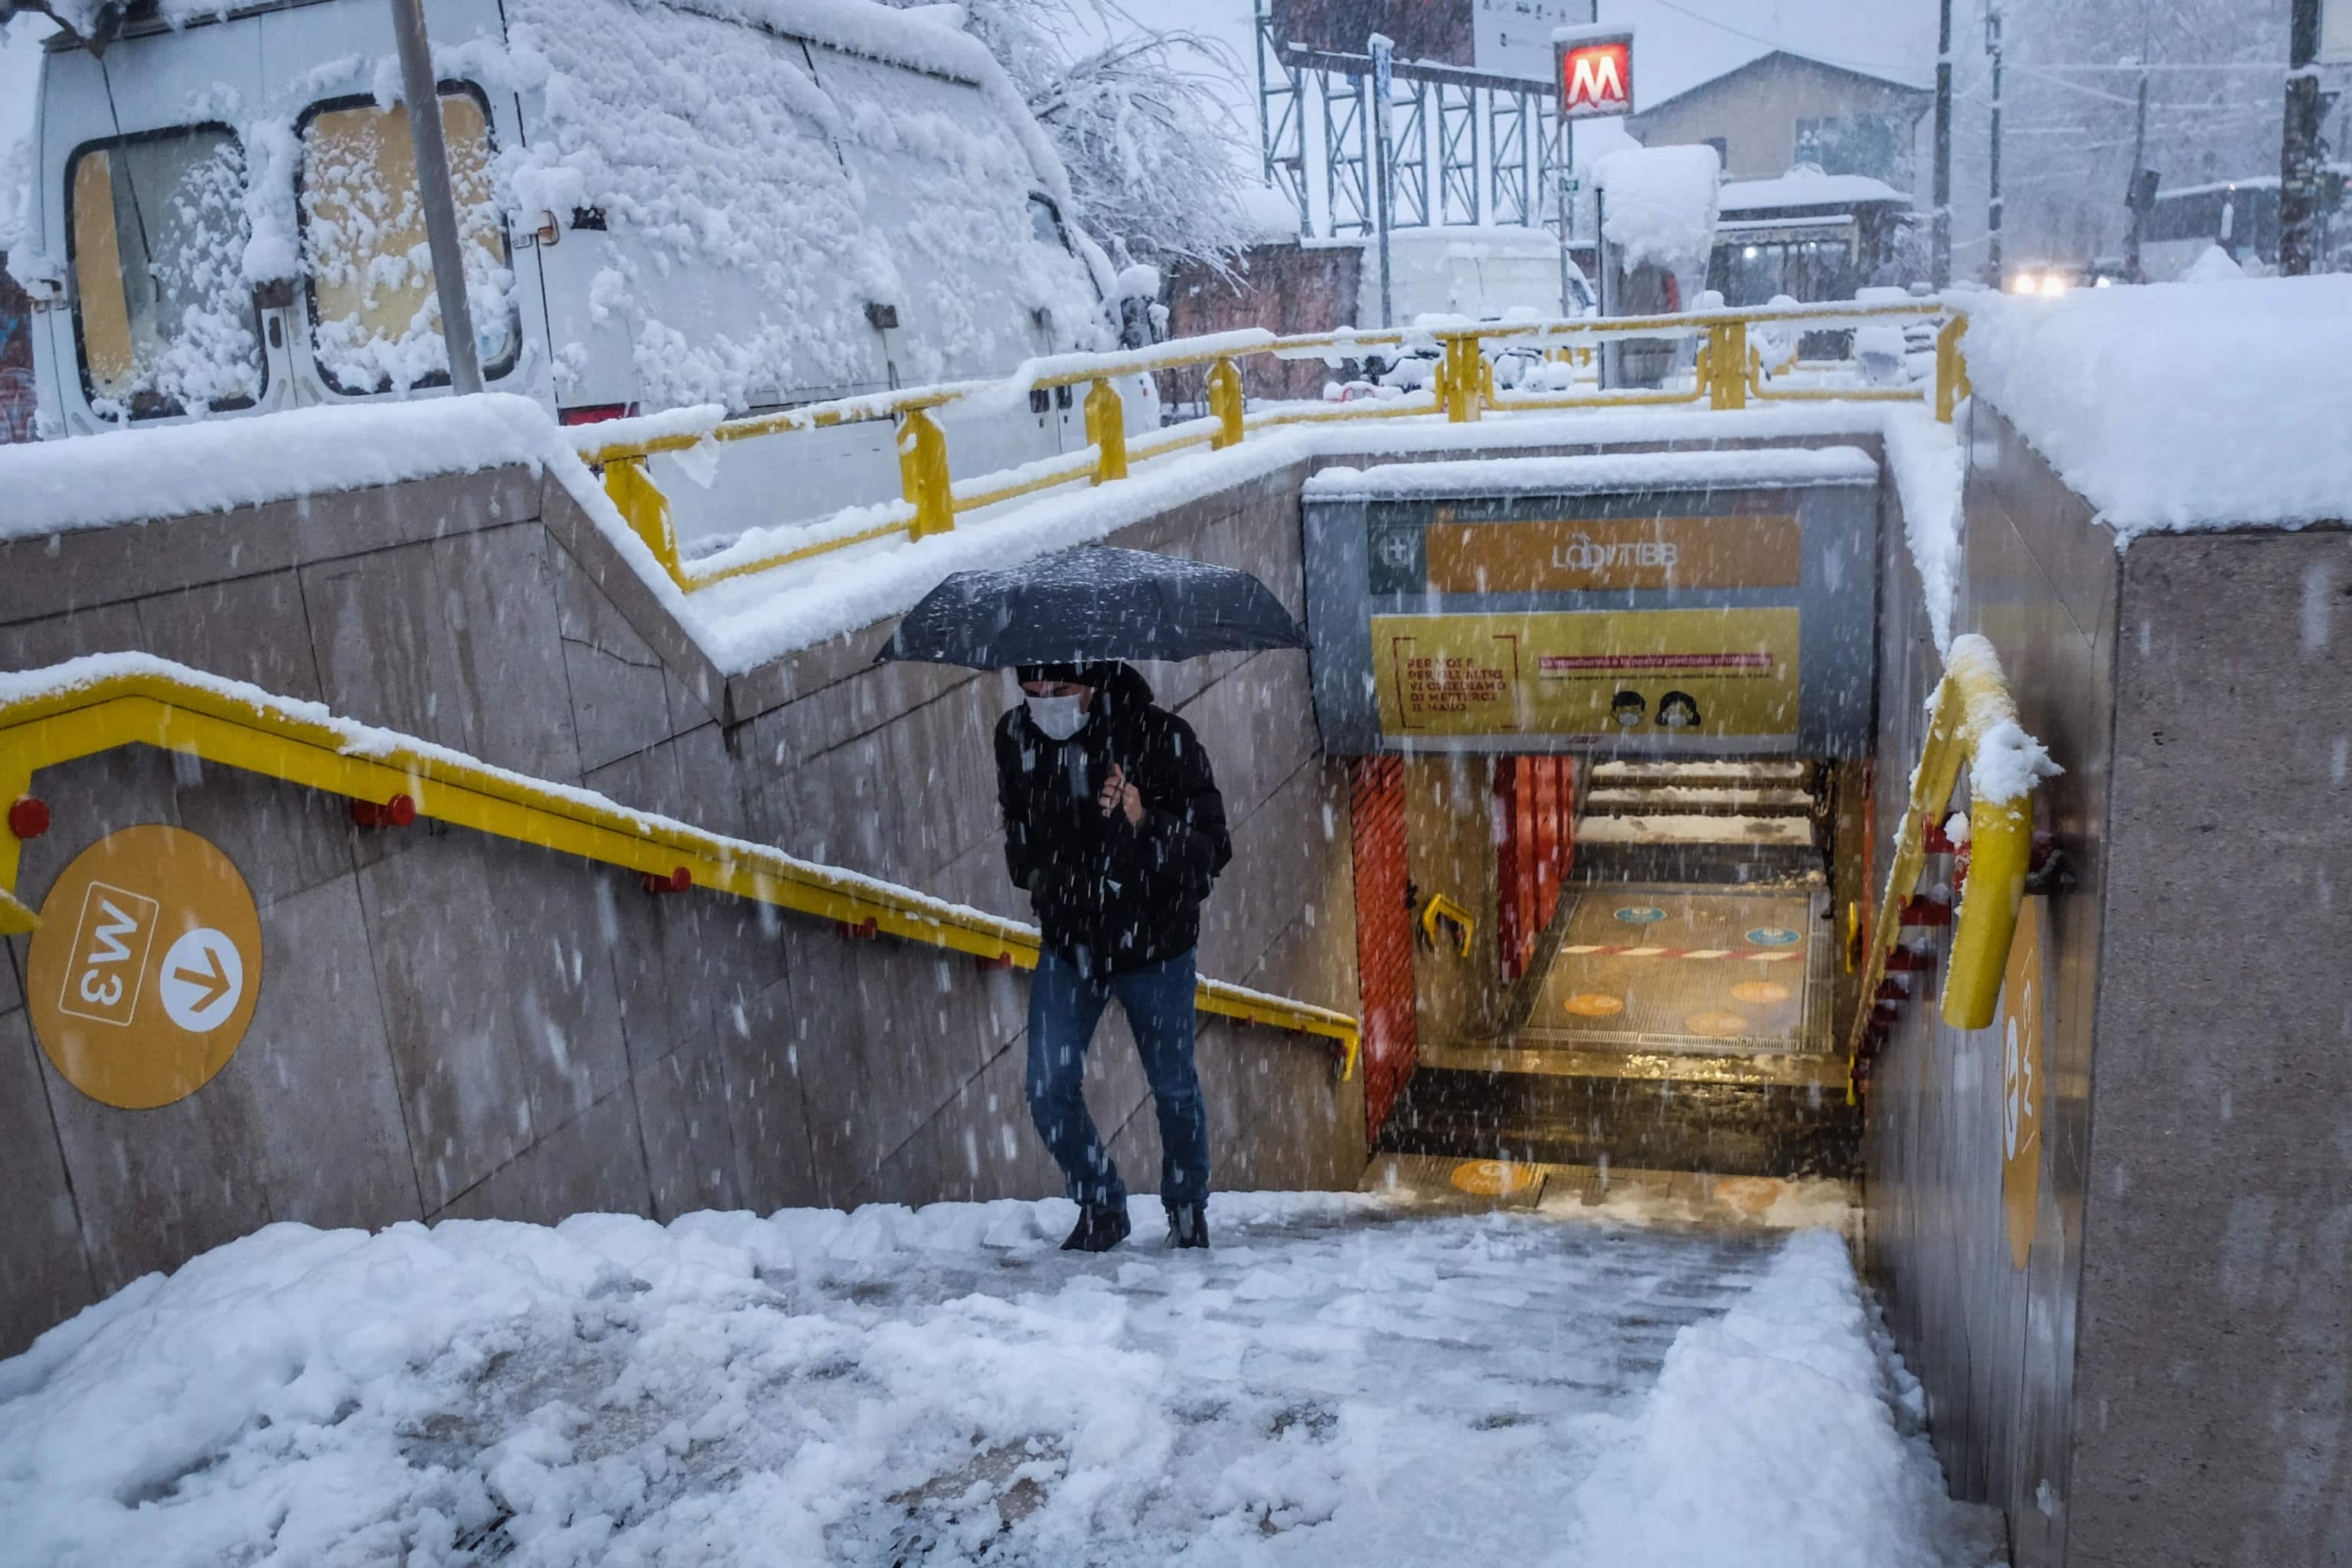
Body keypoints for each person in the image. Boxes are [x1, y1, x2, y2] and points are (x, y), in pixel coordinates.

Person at [995, 659, 1231, 1253]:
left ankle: (1185, 1207)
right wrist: (1045, 879)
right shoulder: (1016, 735)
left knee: (1173, 1087)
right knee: (1048, 1086)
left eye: (1061, 689)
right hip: (1072, 945)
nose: (1045, 700)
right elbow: (1017, 835)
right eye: (1033, 688)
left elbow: (1211, 849)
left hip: (1155, 947)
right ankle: (1100, 1203)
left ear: (1094, 682)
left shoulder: (1161, 738)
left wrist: (1141, 818)